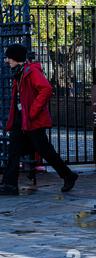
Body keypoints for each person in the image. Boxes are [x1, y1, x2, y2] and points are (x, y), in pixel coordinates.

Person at [0, 44, 78, 195]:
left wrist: (32, 111)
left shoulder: (32, 71)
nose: (7, 60)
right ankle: (9, 185)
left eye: (9, 57)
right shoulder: (20, 72)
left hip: (31, 120)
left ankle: (68, 175)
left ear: (16, 58)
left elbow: (46, 89)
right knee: (13, 151)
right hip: (21, 119)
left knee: (46, 151)